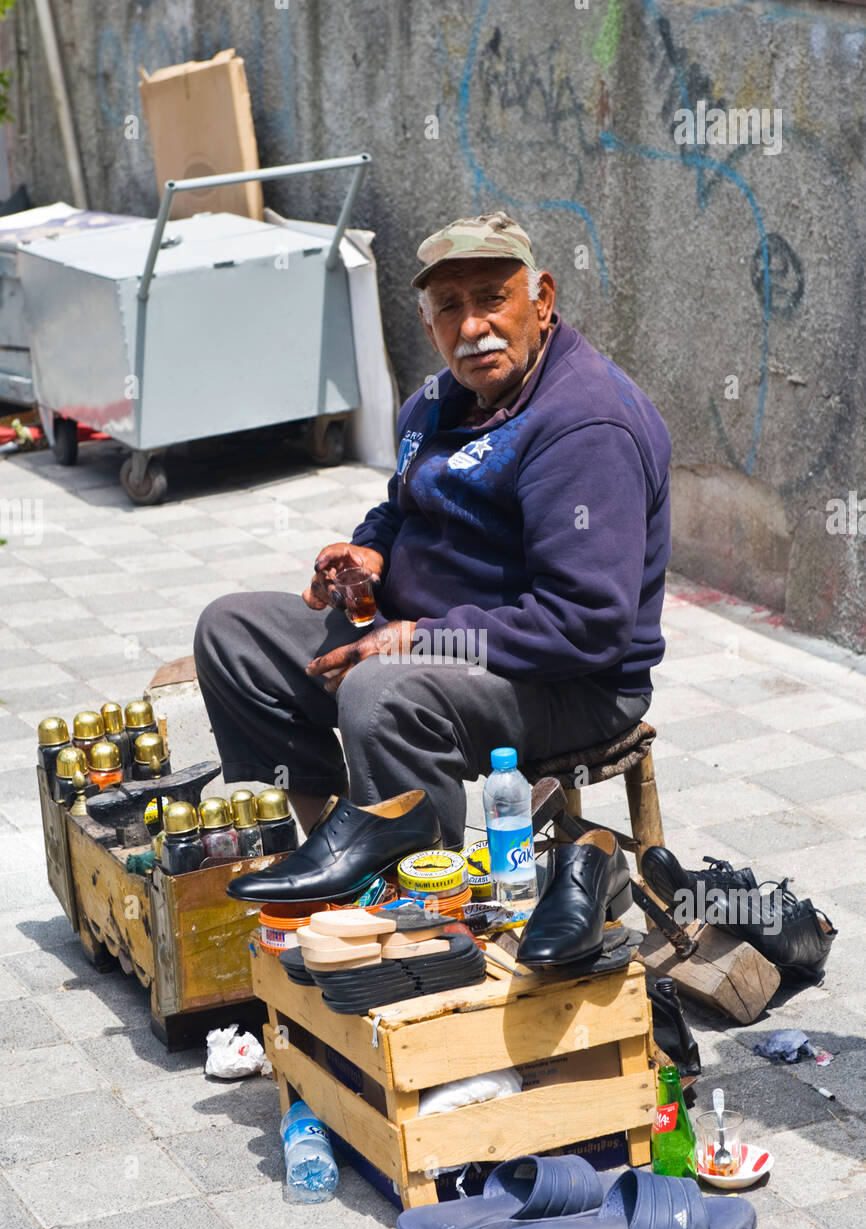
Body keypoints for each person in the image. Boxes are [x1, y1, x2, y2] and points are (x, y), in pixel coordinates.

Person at [194, 211, 671, 850]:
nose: (472, 327)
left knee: (381, 693)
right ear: (427, 323)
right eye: (449, 307)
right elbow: (404, 504)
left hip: (565, 679)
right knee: (234, 631)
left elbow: (584, 625)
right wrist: (372, 552)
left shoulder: (585, 429)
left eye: (492, 299)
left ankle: (423, 912)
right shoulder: (437, 400)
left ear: (543, 299)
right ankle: (340, 848)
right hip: (425, 635)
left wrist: (421, 639)